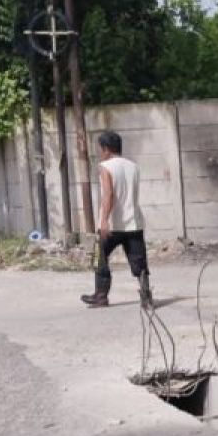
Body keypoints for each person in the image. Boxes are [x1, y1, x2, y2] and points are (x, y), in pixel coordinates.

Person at [81, 131, 153, 309]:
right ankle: (146, 297)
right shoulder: (134, 166)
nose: (99, 152)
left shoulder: (106, 167)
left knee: (100, 257)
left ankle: (101, 296)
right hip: (134, 223)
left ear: (106, 149)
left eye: (100, 148)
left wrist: (104, 220)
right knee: (139, 261)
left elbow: (109, 195)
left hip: (113, 224)